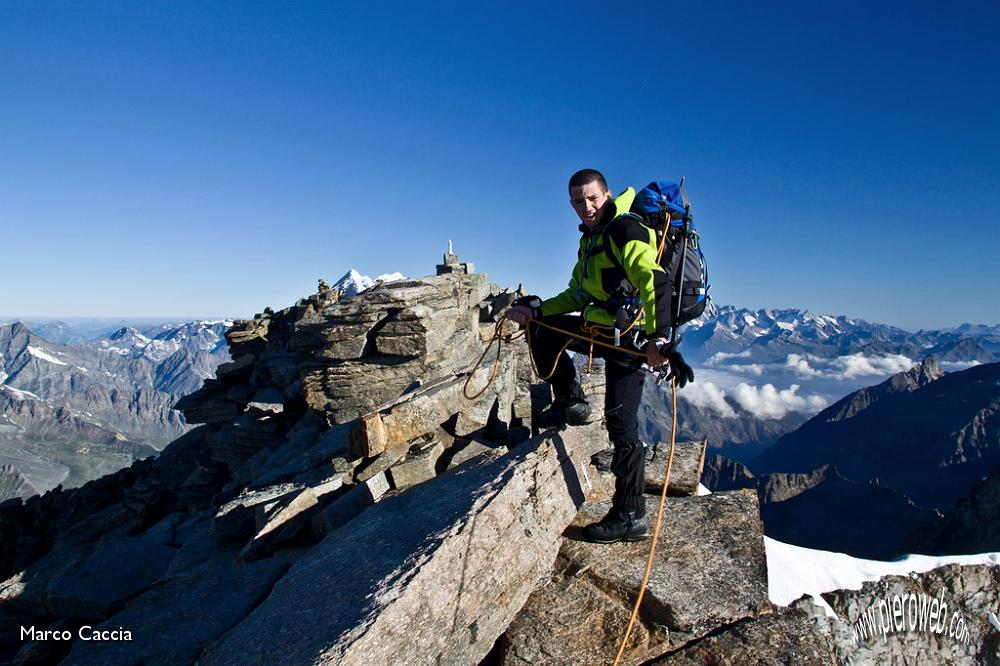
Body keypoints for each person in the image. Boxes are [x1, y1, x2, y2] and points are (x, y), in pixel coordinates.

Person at [508, 168, 693, 543]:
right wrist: (538, 312)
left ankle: (630, 515)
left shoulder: (627, 230)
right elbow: (577, 294)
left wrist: (657, 340)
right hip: (601, 329)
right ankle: (571, 401)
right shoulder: (591, 240)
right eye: (578, 201)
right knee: (543, 329)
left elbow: (653, 280)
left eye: (592, 198)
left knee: (621, 426)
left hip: (630, 338)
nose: (586, 207)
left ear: (606, 195)